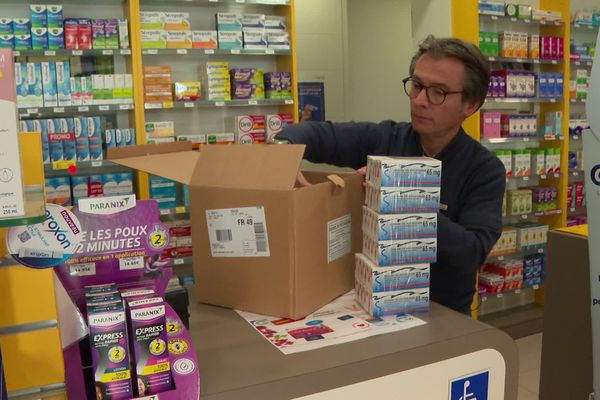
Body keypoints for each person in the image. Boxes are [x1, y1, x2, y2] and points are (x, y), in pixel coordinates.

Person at [275, 35, 506, 315]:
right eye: (417, 85)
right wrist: (283, 151)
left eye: (438, 92)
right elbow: (318, 134)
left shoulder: (484, 169)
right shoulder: (385, 138)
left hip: (442, 316)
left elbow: (472, 252)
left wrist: (400, 197)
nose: (420, 100)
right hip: (373, 305)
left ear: (470, 105)